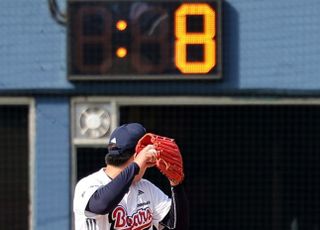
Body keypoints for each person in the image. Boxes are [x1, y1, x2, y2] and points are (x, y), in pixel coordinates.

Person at [73, 123, 189, 230]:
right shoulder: (88, 184)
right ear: (138, 155)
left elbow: (177, 227)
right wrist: (137, 163)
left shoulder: (146, 187)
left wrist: (176, 185)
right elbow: (101, 205)